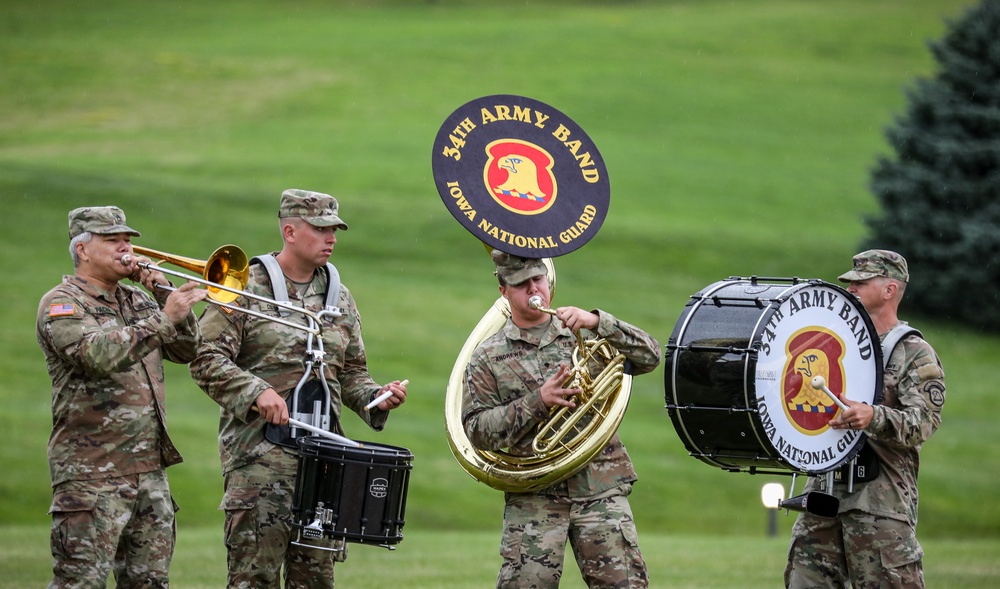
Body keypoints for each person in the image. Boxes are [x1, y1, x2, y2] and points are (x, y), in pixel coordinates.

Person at [189, 189, 408, 588]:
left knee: (316, 582)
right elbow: (203, 358)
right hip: (260, 464)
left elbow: (352, 372)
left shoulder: (339, 297)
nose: (332, 238)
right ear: (290, 230)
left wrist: (378, 397)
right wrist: (255, 391)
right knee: (253, 579)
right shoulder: (243, 286)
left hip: (324, 466)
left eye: (335, 229)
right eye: (321, 228)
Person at [463, 249, 661, 589]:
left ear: (548, 281)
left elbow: (650, 356)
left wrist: (599, 322)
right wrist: (537, 401)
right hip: (534, 496)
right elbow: (477, 432)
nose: (533, 290)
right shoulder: (486, 356)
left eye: (537, 280)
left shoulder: (584, 333)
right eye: (521, 284)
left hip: (600, 489)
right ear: (503, 292)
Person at [36, 205, 207, 588]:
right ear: (82, 249)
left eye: (127, 239)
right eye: (112, 240)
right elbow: (98, 355)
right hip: (90, 475)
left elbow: (186, 350)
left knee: (149, 583)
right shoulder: (62, 304)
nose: (125, 248)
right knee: (80, 582)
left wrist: (162, 288)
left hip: (149, 472)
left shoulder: (137, 300)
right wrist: (165, 317)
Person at [784, 249, 946, 588]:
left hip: (878, 503)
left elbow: (922, 423)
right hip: (824, 495)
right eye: (850, 282)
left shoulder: (914, 352)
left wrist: (873, 416)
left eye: (862, 281)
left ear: (889, 290)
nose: (852, 287)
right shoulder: (832, 343)